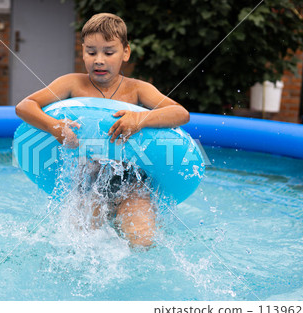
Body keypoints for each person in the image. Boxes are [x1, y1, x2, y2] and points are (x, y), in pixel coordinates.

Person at [15, 13, 189, 247]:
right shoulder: (72, 84)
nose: (99, 60)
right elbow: (25, 106)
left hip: (132, 182)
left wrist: (141, 119)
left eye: (108, 52)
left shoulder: (137, 90)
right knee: (78, 244)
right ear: (82, 52)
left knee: (142, 240)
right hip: (87, 181)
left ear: (125, 52)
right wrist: (55, 127)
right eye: (91, 52)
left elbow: (180, 113)